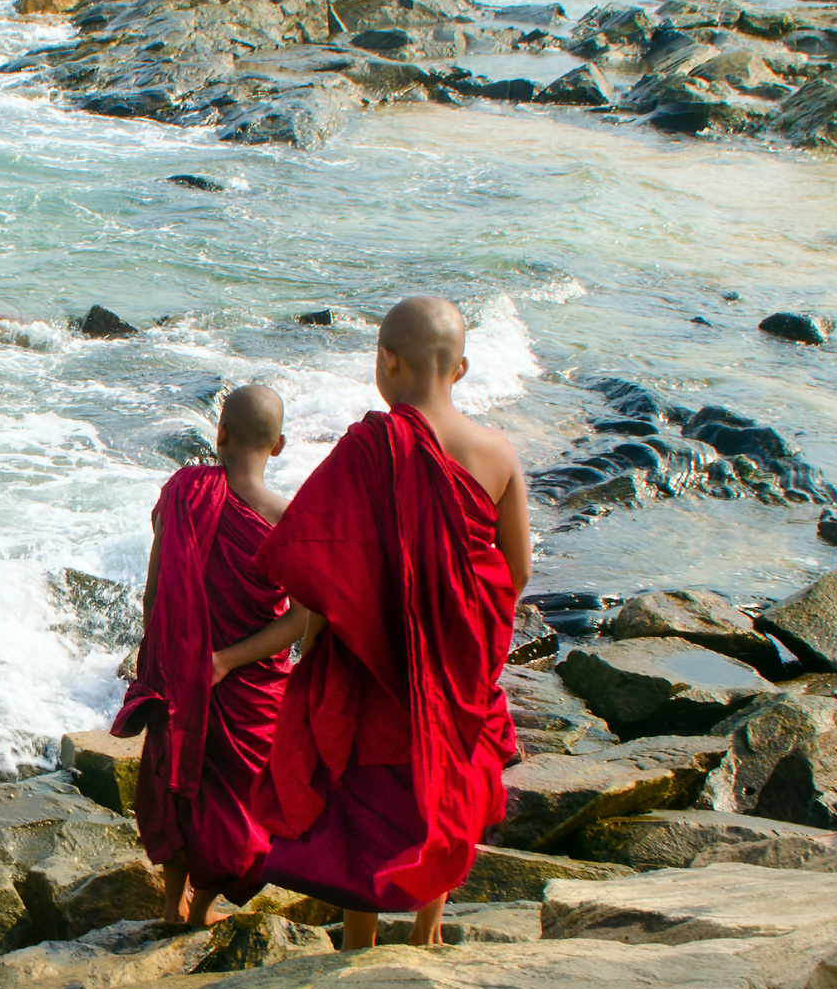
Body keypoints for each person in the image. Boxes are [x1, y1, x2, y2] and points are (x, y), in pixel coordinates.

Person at [250, 296, 530, 950]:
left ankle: (360, 937)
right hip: (454, 662)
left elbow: (315, 553)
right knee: (441, 790)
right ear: (459, 368)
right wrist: (457, 626)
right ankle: (428, 933)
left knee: (366, 799)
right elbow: (514, 571)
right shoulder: (496, 453)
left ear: (386, 361)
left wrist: (330, 632)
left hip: (374, 662)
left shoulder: (367, 447)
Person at [112, 384, 311, 927]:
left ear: (218, 434)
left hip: (181, 673)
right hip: (250, 683)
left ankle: (172, 898)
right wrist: (227, 660)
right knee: (240, 799)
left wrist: (158, 654)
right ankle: (202, 907)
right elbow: (300, 620)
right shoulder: (288, 521)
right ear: (280, 445)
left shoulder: (184, 491)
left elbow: (156, 591)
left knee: (175, 778)